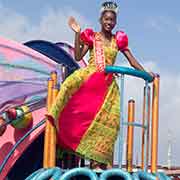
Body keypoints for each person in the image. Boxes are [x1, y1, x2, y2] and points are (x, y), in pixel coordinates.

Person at [47, 1, 153, 169]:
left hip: (107, 86)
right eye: (106, 19)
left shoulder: (118, 40)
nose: (109, 23)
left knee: (109, 122)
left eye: (112, 20)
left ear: (115, 22)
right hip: (90, 79)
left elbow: (132, 61)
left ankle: (99, 162)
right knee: (73, 101)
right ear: (101, 20)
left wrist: (147, 73)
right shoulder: (92, 36)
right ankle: (57, 126)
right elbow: (77, 56)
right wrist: (77, 34)